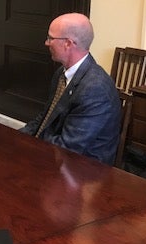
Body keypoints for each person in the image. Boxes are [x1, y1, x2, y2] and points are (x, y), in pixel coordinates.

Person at [20, 13, 120, 165]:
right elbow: (47, 116)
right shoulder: (61, 73)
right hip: (59, 155)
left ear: (68, 43)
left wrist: (33, 144)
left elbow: (69, 148)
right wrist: (18, 137)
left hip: (86, 171)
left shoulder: (95, 89)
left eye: (50, 38)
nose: (47, 43)